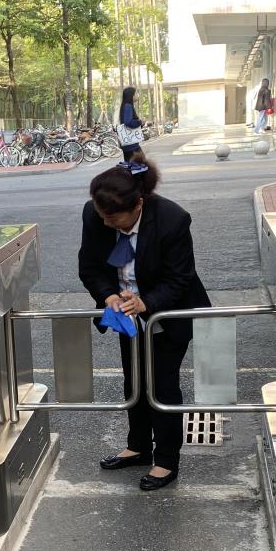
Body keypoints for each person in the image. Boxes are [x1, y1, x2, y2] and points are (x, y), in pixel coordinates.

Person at [78, 153, 211, 490]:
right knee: (134, 381)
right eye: (102, 216)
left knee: (162, 385)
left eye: (114, 218)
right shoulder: (96, 215)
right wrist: (109, 295)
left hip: (165, 313)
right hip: (126, 314)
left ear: (138, 204)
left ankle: (166, 460)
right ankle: (138, 446)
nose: (107, 224)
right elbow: (89, 266)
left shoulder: (172, 219)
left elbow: (180, 278)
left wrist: (146, 302)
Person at [118, 86, 144, 161]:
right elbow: (128, 122)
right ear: (131, 96)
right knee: (141, 165)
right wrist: (139, 122)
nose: (137, 95)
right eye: (136, 93)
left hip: (128, 143)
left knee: (131, 166)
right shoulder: (128, 106)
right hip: (131, 145)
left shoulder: (125, 105)